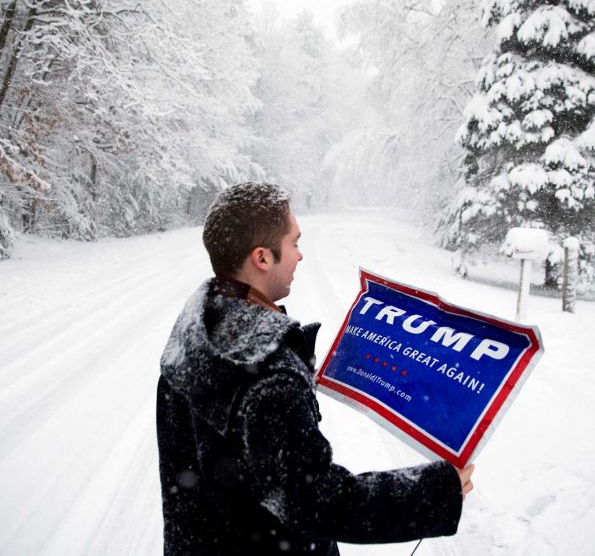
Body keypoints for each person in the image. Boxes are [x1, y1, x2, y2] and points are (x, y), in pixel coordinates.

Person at [157, 182, 474, 555]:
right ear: (262, 258)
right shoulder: (268, 375)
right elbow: (319, 501)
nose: (300, 256)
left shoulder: (198, 333)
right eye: (294, 243)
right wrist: (435, 490)